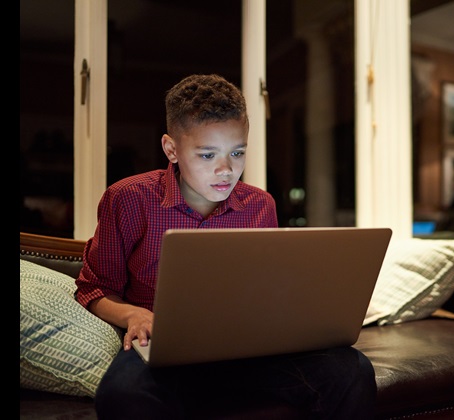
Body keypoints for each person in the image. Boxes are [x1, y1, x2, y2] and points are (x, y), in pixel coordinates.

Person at [75, 74, 376, 419]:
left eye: (237, 153)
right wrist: (134, 314)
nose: (226, 170)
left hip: (248, 351)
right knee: (123, 395)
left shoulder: (260, 205)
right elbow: (93, 287)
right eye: (207, 155)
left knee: (351, 370)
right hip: (165, 352)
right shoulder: (127, 199)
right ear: (171, 149)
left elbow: (272, 289)